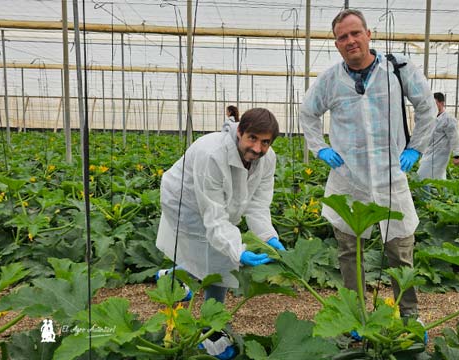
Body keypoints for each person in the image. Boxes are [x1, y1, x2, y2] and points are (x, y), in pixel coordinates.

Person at [300, 9, 436, 324]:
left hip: (391, 178)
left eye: (354, 33)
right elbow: (307, 114)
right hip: (349, 180)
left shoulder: (398, 69)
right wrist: (320, 149)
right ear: (336, 44)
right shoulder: (330, 80)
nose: (350, 41)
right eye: (342, 37)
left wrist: (415, 148)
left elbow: (427, 107)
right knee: (350, 252)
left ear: (368, 34)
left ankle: (410, 316)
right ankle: (356, 317)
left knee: (400, 251)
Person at [156, 108, 285, 359]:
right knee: (218, 260)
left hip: (217, 207)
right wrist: (239, 251)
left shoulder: (267, 159)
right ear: (239, 132)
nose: (258, 148)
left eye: (265, 142)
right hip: (186, 202)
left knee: (211, 254)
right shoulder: (212, 154)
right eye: (253, 138)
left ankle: (171, 277)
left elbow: (258, 204)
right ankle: (211, 328)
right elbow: (214, 217)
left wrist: (270, 237)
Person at [417, 92, 459, 180]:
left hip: (440, 154)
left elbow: (455, 138)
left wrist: (457, 155)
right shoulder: (432, 118)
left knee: (421, 178)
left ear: (442, 103)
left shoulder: (448, 119)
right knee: (438, 179)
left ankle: (427, 194)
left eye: (435, 104)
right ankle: (441, 193)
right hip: (429, 152)